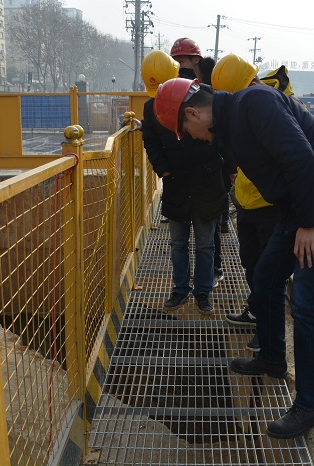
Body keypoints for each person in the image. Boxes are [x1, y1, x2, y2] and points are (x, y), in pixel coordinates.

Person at [152, 77, 314, 439]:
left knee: (308, 305)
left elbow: (300, 156)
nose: (193, 138)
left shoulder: (254, 103)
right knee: (265, 277)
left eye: (186, 131)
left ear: (194, 114)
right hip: (297, 207)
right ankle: (273, 357)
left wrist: (307, 223)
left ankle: (310, 405)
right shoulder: (231, 123)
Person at [211, 54, 297, 353]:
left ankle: (267, 331)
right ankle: (256, 310)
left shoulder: (276, 107)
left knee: (269, 272)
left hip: (271, 205)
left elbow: (294, 159)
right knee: (250, 262)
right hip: (247, 201)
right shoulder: (247, 108)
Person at [140, 51, 227, 314]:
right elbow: (151, 141)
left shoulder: (205, 97)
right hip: (176, 182)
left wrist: (221, 171)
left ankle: (203, 293)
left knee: (205, 243)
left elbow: (224, 138)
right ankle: (180, 290)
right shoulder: (151, 108)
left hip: (207, 183)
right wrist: (163, 170)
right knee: (178, 243)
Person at [171, 37, 230, 288]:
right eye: (175, 61)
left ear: (196, 59)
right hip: (188, 173)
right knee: (191, 235)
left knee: (210, 226)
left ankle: (214, 270)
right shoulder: (177, 88)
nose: (179, 66)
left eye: (182, 60)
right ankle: (194, 280)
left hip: (213, 168)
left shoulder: (213, 86)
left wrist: (225, 166)